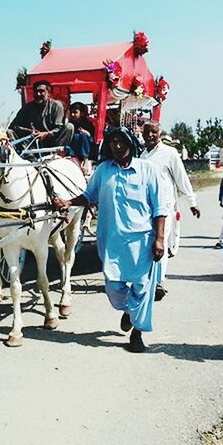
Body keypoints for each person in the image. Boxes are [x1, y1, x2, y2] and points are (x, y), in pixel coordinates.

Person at [53, 127, 167, 352]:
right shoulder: (104, 170)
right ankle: (128, 310)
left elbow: (160, 208)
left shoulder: (149, 170)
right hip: (111, 241)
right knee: (114, 287)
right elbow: (89, 196)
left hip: (142, 241)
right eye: (112, 142)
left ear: (130, 143)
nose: (116, 146)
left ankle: (137, 333)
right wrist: (68, 202)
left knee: (143, 287)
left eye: (120, 141)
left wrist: (160, 239)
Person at [140, 121, 201, 300]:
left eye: (154, 132)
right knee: (146, 243)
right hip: (144, 207)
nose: (150, 135)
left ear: (160, 133)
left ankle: (159, 281)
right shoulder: (141, 155)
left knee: (162, 242)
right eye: (147, 132)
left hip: (164, 206)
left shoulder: (169, 153)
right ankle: (145, 279)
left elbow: (181, 178)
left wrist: (192, 202)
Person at [9, 81, 74, 152]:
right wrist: (29, 131)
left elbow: (59, 128)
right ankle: (28, 156)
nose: (38, 94)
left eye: (41, 91)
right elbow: (14, 126)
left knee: (69, 127)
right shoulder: (27, 108)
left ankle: (57, 154)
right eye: (35, 91)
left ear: (48, 93)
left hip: (52, 142)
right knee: (9, 132)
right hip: (32, 142)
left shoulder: (56, 105)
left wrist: (46, 134)